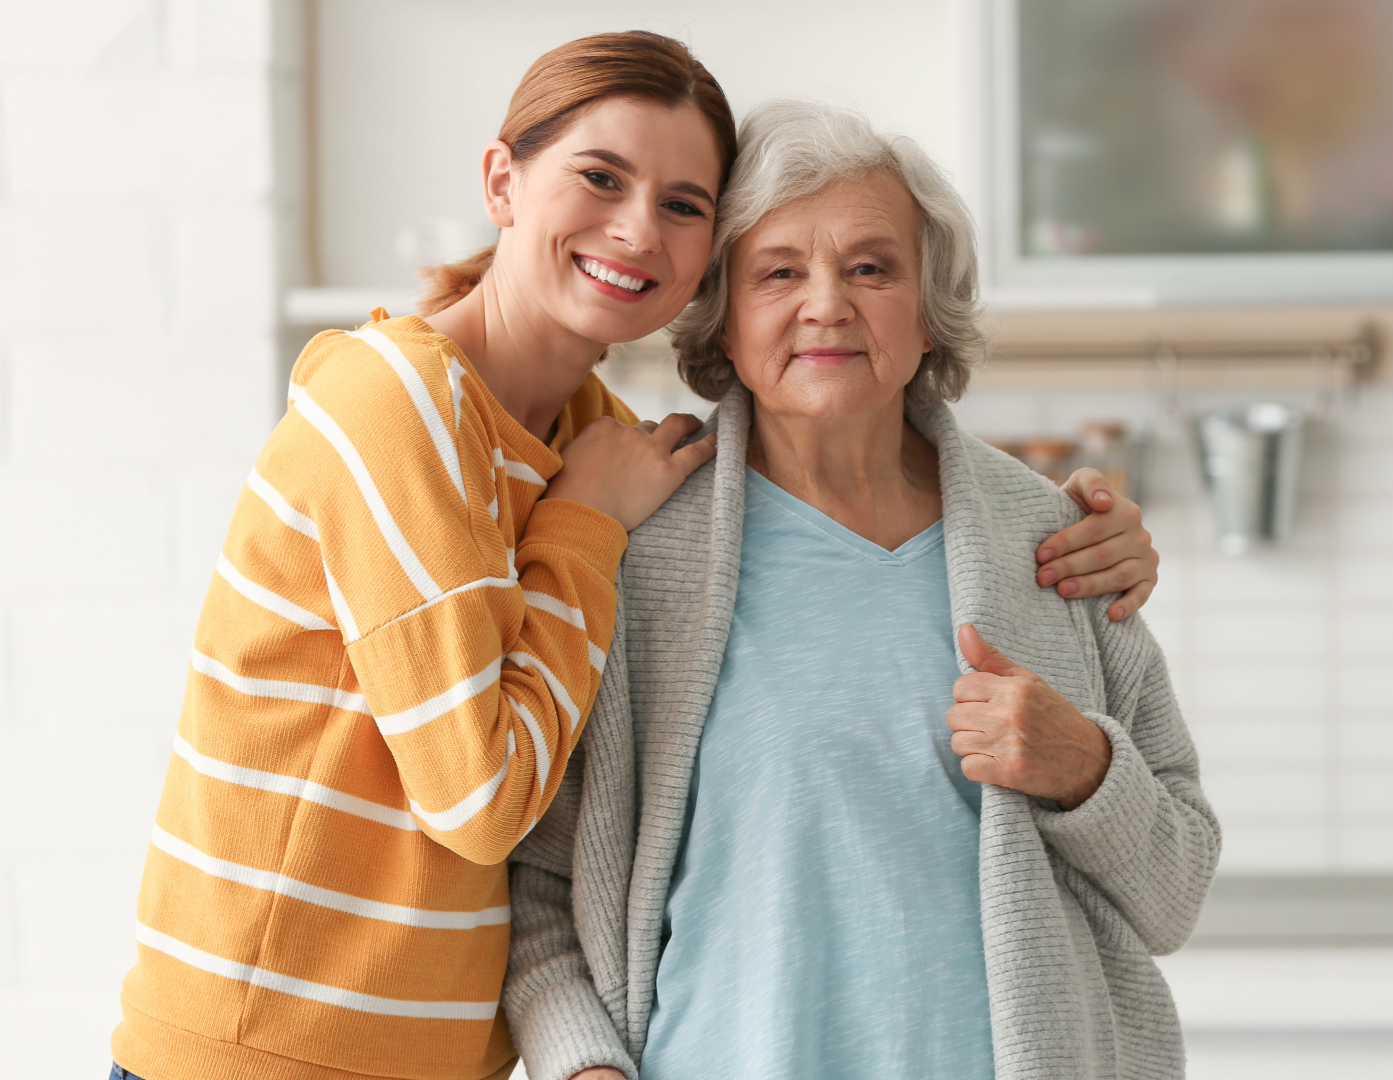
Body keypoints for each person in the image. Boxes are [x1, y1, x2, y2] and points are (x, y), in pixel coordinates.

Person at [112, 33, 1160, 1080]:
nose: (635, 229)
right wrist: (588, 524)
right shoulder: (406, 408)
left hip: (426, 1055)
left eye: (683, 204)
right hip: (261, 1051)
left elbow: (1170, 872)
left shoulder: (602, 450)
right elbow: (494, 811)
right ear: (501, 180)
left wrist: (1075, 533)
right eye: (600, 178)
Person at [504, 100, 1218, 1080]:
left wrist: (1085, 769)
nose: (827, 304)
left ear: (929, 312)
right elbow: (539, 887)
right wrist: (585, 1068)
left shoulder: (1056, 543)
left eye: (871, 267)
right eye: (780, 270)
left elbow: (1175, 891)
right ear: (723, 310)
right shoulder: (637, 552)